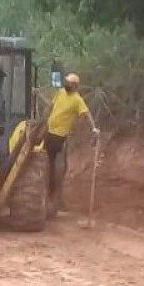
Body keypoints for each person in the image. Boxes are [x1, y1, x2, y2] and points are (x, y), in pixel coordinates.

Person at [45, 72, 99, 212]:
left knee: (54, 166)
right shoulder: (60, 92)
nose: (67, 84)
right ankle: (51, 193)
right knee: (45, 163)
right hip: (48, 132)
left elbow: (87, 114)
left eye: (70, 83)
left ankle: (53, 195)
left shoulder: (77, 99)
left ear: (75, 86)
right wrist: (42, 121)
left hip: (59, 137)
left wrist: (93, 128)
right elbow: (50, 108)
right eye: (66, 82)